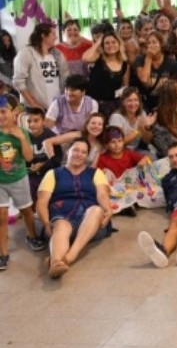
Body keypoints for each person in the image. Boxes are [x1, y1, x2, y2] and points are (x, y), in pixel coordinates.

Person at [36, 138, 113, 279]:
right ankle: (56, 263)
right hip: (61, 215)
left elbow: (102, 194)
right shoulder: (53, 174)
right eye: (75, 150)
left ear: (87, 156)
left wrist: (107, 211)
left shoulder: (95, 173)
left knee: (96, 210)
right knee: (61, 225)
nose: (79, 154)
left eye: (84, 152)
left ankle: (69, 257)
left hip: (91, 224)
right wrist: (46, 223)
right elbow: (42, 202)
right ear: (68, 151)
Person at [0, 95, 47, 271]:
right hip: (0, 182)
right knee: (1, 215)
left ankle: (31, 235)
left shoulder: (23, 133)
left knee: (27, 211)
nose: (1, 116)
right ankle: (3, 253)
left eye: (4, 111)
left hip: (19, 179)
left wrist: (20, 138)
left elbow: (28, 158)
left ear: (15, 113)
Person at [13, 22, 70, 110]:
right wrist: (34, 105)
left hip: (56, 106)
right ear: (43, 35)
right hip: (34, 108)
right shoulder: (26, 53)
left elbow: (65, 78)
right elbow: (18, 82)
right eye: (53, 34)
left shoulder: (57, 54)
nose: (56, 37)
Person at [82, 31, 130, 118]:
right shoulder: (98, 58)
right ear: (103, 46)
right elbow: (85, 58)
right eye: (107, 43)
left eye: (113, 42)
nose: (111, 45)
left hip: (112, 105)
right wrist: (98, 42)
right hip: (93, 103)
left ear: (119, 44)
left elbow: (125, 86)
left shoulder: (125, 64)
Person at [131, 32, 177, 111]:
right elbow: (144, 79)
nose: (151, 45)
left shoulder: (171, 62)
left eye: (154, 42)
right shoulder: (140, 59)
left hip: (165, 103)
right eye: (149, 43)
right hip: (145, 103)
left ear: (161, 44)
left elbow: (175, 87)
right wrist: (148, 58)